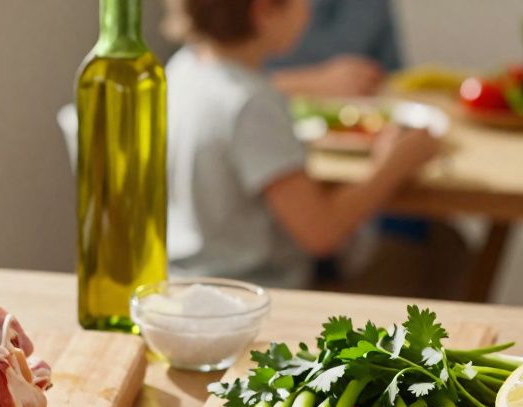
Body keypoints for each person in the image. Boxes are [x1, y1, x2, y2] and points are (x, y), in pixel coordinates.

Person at [163, 0, 440, 289]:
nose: (308, 11)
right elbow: (321, 234)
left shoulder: (183, 68)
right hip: (253, 292)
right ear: (264, 12)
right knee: (439, 254)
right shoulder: (254, 105)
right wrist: (393, 164)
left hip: (184, 280)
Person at [265, 0, 401, 98]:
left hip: (365, 115)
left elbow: (394, 78)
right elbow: (252, 83)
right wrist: (312, 83)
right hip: (281, 113)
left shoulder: (375, 7)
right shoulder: (267, 12)